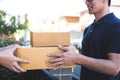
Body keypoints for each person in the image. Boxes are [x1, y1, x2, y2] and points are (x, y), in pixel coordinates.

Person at [46, 0, 120, 80]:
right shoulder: (88, 29)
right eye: (85, 0)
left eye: (90, 0)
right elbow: (87, 60)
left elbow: (114, 68)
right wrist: (69, 56)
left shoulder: (116, 26)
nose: (86, 3)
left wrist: (77, 58)